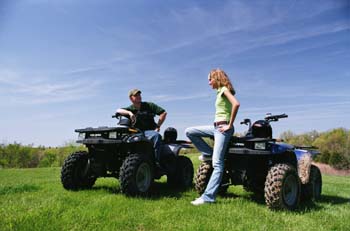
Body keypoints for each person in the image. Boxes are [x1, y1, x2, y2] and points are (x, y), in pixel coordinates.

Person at [185, 69, 240, 206]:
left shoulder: (224, 90)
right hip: (215, 128)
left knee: (217, 164)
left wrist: (230, 125)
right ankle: (208, 153)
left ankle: (208, 197)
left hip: (223, 128)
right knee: (190, 131)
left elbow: (236, 104)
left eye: (210, 79)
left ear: (216, 78)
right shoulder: (219, 92)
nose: (209, 82)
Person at [116, 89, 167, 163]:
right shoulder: (131, 108)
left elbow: (163, 113)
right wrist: (130, 113)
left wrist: (158, 126)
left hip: (148, 132)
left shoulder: (149, 105)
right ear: (131, 98)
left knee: (156, 136)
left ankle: (156, 162)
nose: (139, 96)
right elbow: (118, 110)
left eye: (139, 95)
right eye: (136, 95)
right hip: (135, 132)